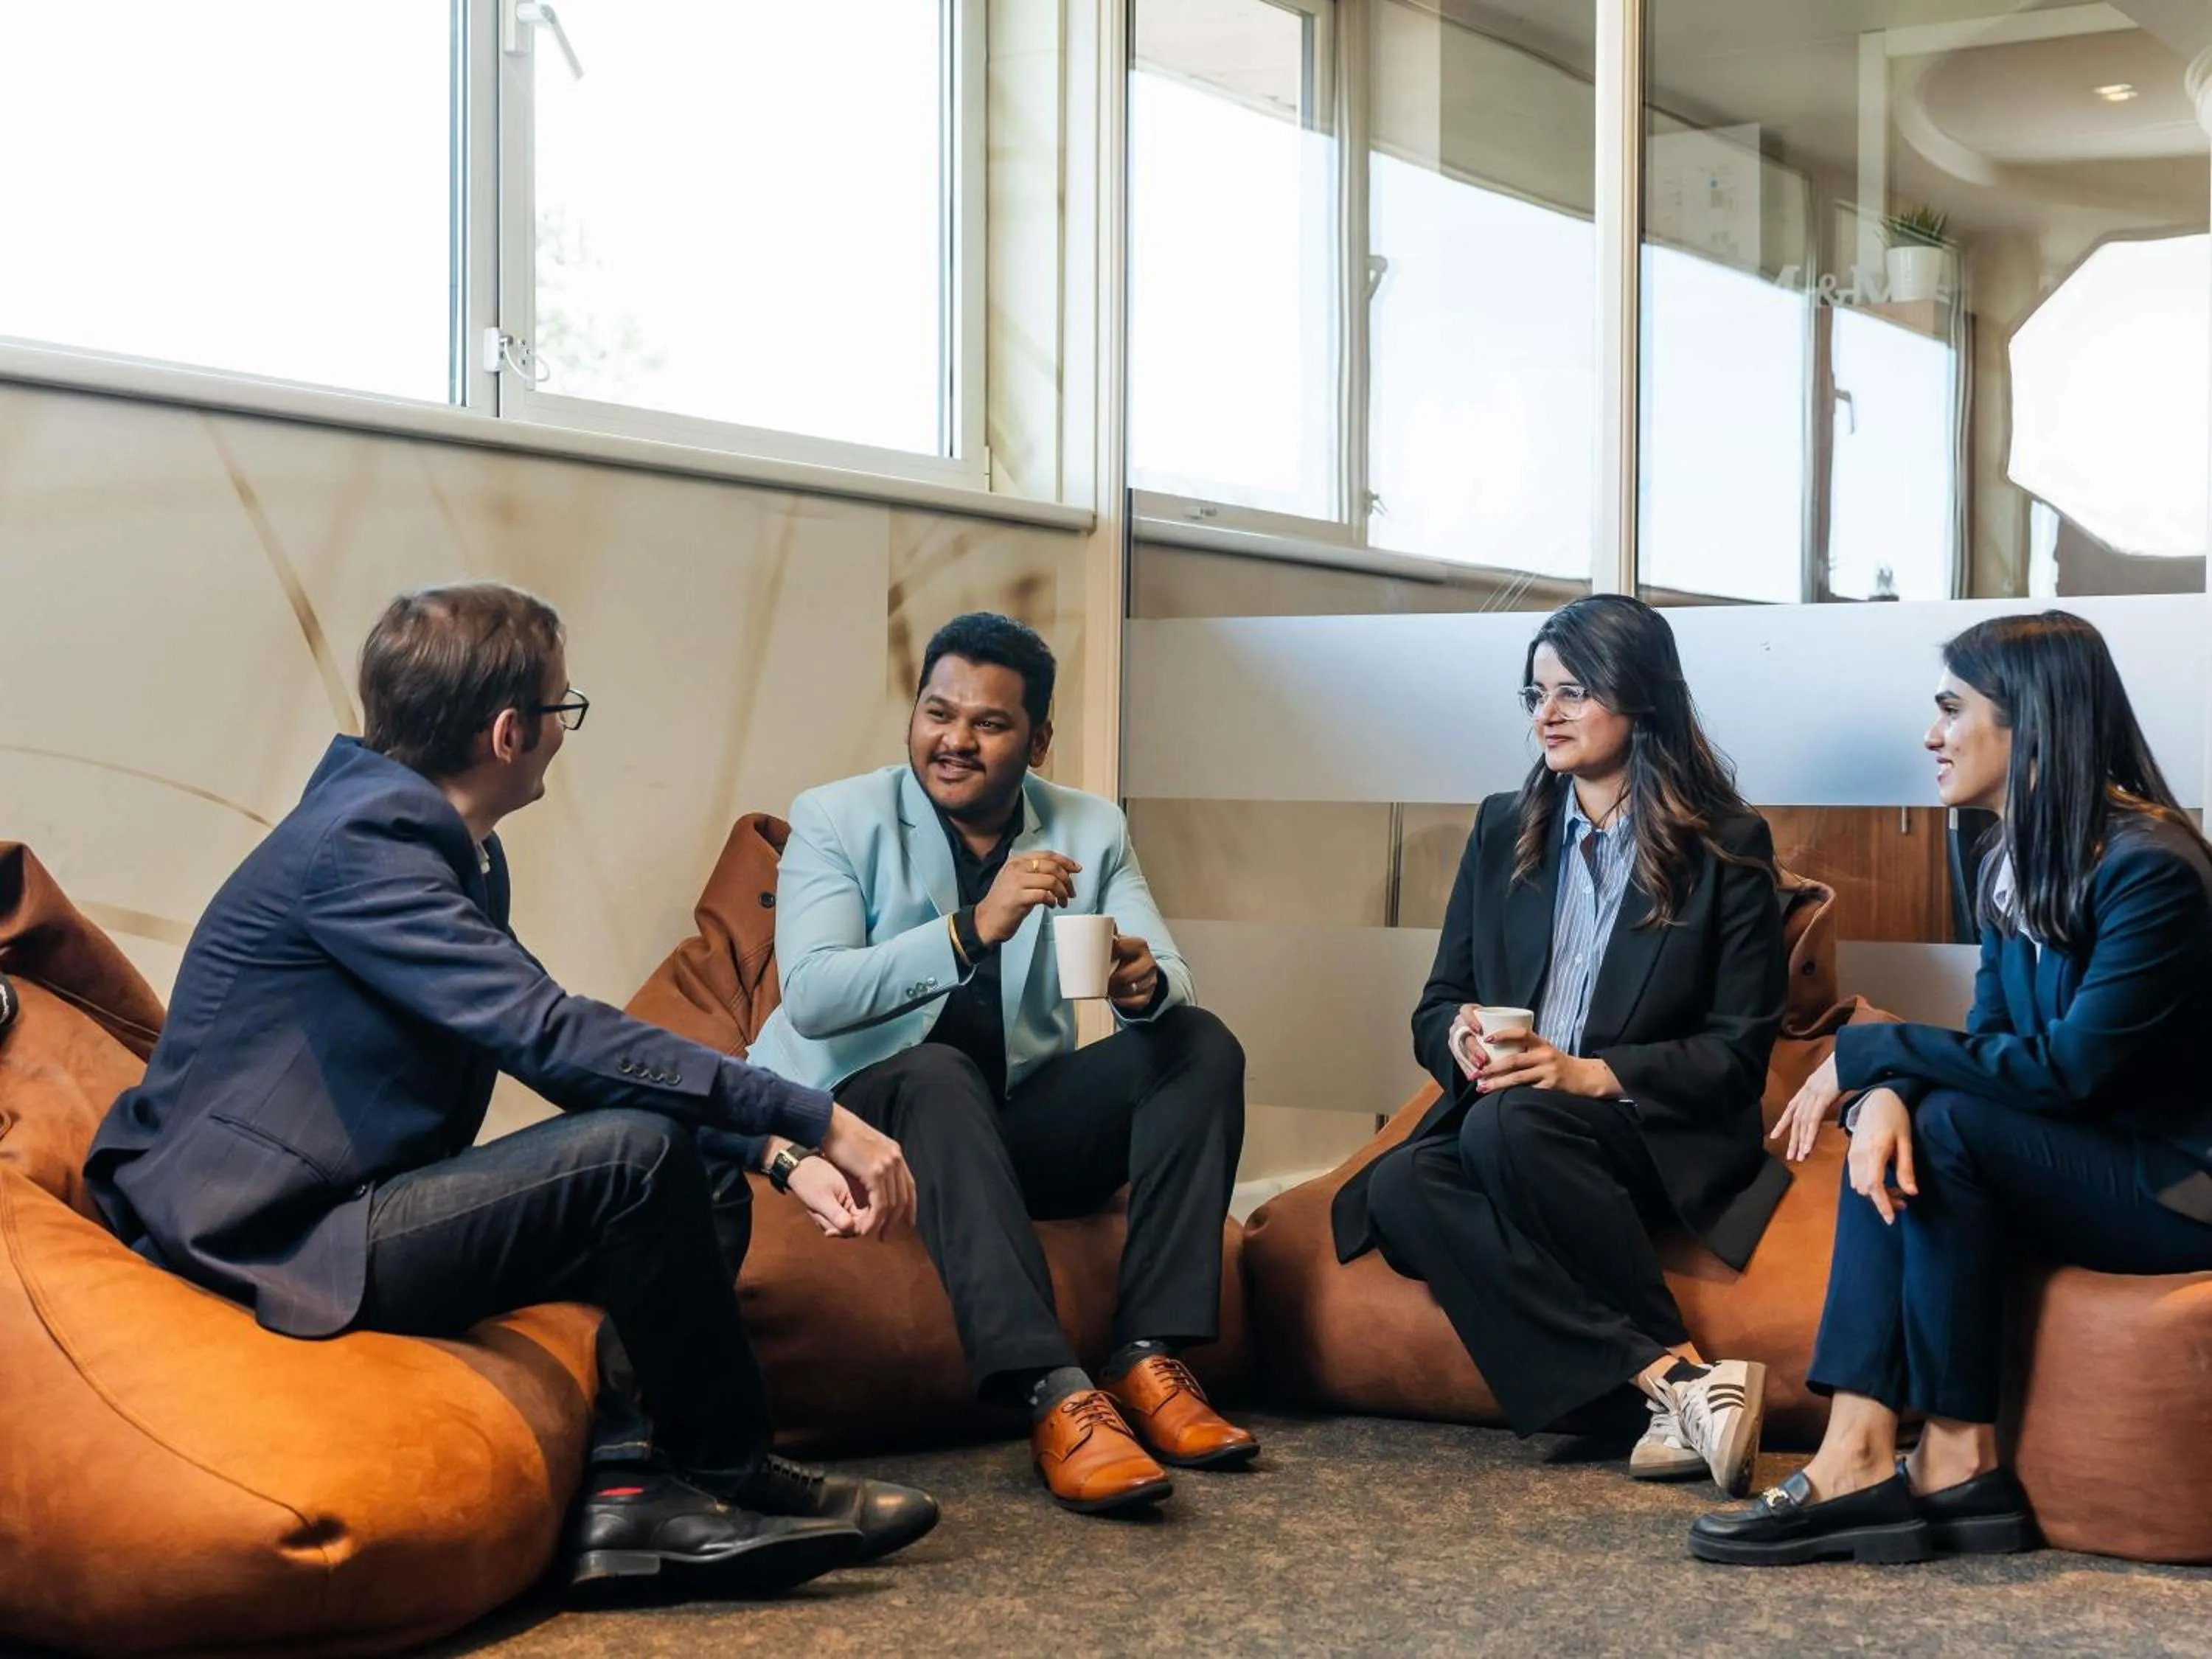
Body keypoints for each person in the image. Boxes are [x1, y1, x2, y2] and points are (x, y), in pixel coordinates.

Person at [84, 583, 938, 1601]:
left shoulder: (443, 851)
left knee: (681, 1160)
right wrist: (811, 1112)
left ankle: (674, 1480)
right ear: (508, 731)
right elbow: (554, 1034)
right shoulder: (365, 849)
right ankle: (670, 1486)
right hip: (269, 1236)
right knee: (636, 1155)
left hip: (337, 1209)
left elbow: (559, 1043)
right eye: (562, 710)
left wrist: (764, 1153)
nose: (562, 733)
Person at [1694, 611, 2212, 1566]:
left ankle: (1922, 1455)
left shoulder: (2155, 870)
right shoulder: (2003, 851)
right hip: (2093, 1157)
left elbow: (2072, 1069)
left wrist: (1879, 1056)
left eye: (1951, 710)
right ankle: (1923, 1458)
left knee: (1952, 1125)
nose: (1931, 736)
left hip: (2180, 1184)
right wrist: (1885, 1085)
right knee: (1915, 1121)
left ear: (2034, 723)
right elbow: (1991, 1038)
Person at [744, 612, 1252, 1514]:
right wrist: (969, 930)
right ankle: (1053, 1392)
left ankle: (1148, 1356)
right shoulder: (839, 816)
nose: (955, 741)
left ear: (1039, 737)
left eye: (989, 724)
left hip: (1004, 1129)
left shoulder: (1088, 828)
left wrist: (1141, 983)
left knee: (1197, 1042)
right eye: (938, 714)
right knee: (939, 1071)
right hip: (861, 1119)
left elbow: (1172, 971)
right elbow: (815, 994)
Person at [1331, 594, 1787, 1495]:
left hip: (1646, 1132)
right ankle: (1674, 1380)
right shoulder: (1504, 824)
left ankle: (1652, 1382)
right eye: (1536, 693)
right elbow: (1438, 1003)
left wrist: (1589, 1075)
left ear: (1641, 697)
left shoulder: (1728, 846)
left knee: (1510, 1128)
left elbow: (1736, 1057)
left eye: (1574, 691)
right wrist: (1457, 1039)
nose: (1547, 714)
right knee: (1399, 1182)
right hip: (1512, 1119)